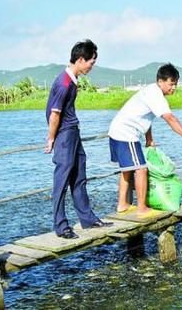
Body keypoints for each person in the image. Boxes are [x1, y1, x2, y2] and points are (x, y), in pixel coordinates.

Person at [45, 39, 113, 239]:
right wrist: (51, 139)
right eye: (91, 63)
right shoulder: (64, 83)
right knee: (62, 179)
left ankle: (88, 219)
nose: (92, 67)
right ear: (81, 60)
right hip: (64, 134)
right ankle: (61, 225)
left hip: (73, 131)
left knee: (79, 176)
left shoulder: (72, 80)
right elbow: (54, 114)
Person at [108, 63, 182, 216]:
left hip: (117, 131)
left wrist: (149, 139)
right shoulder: (155, 95)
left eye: (175, 84)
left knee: (127, 170)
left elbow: (146, 117)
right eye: (171, 84)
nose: (173, 87)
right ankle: (142, 208)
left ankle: (122, 205)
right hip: (126, 133)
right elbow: (170, 118)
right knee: (141, 169)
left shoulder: (151, 91)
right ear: (160, 81)